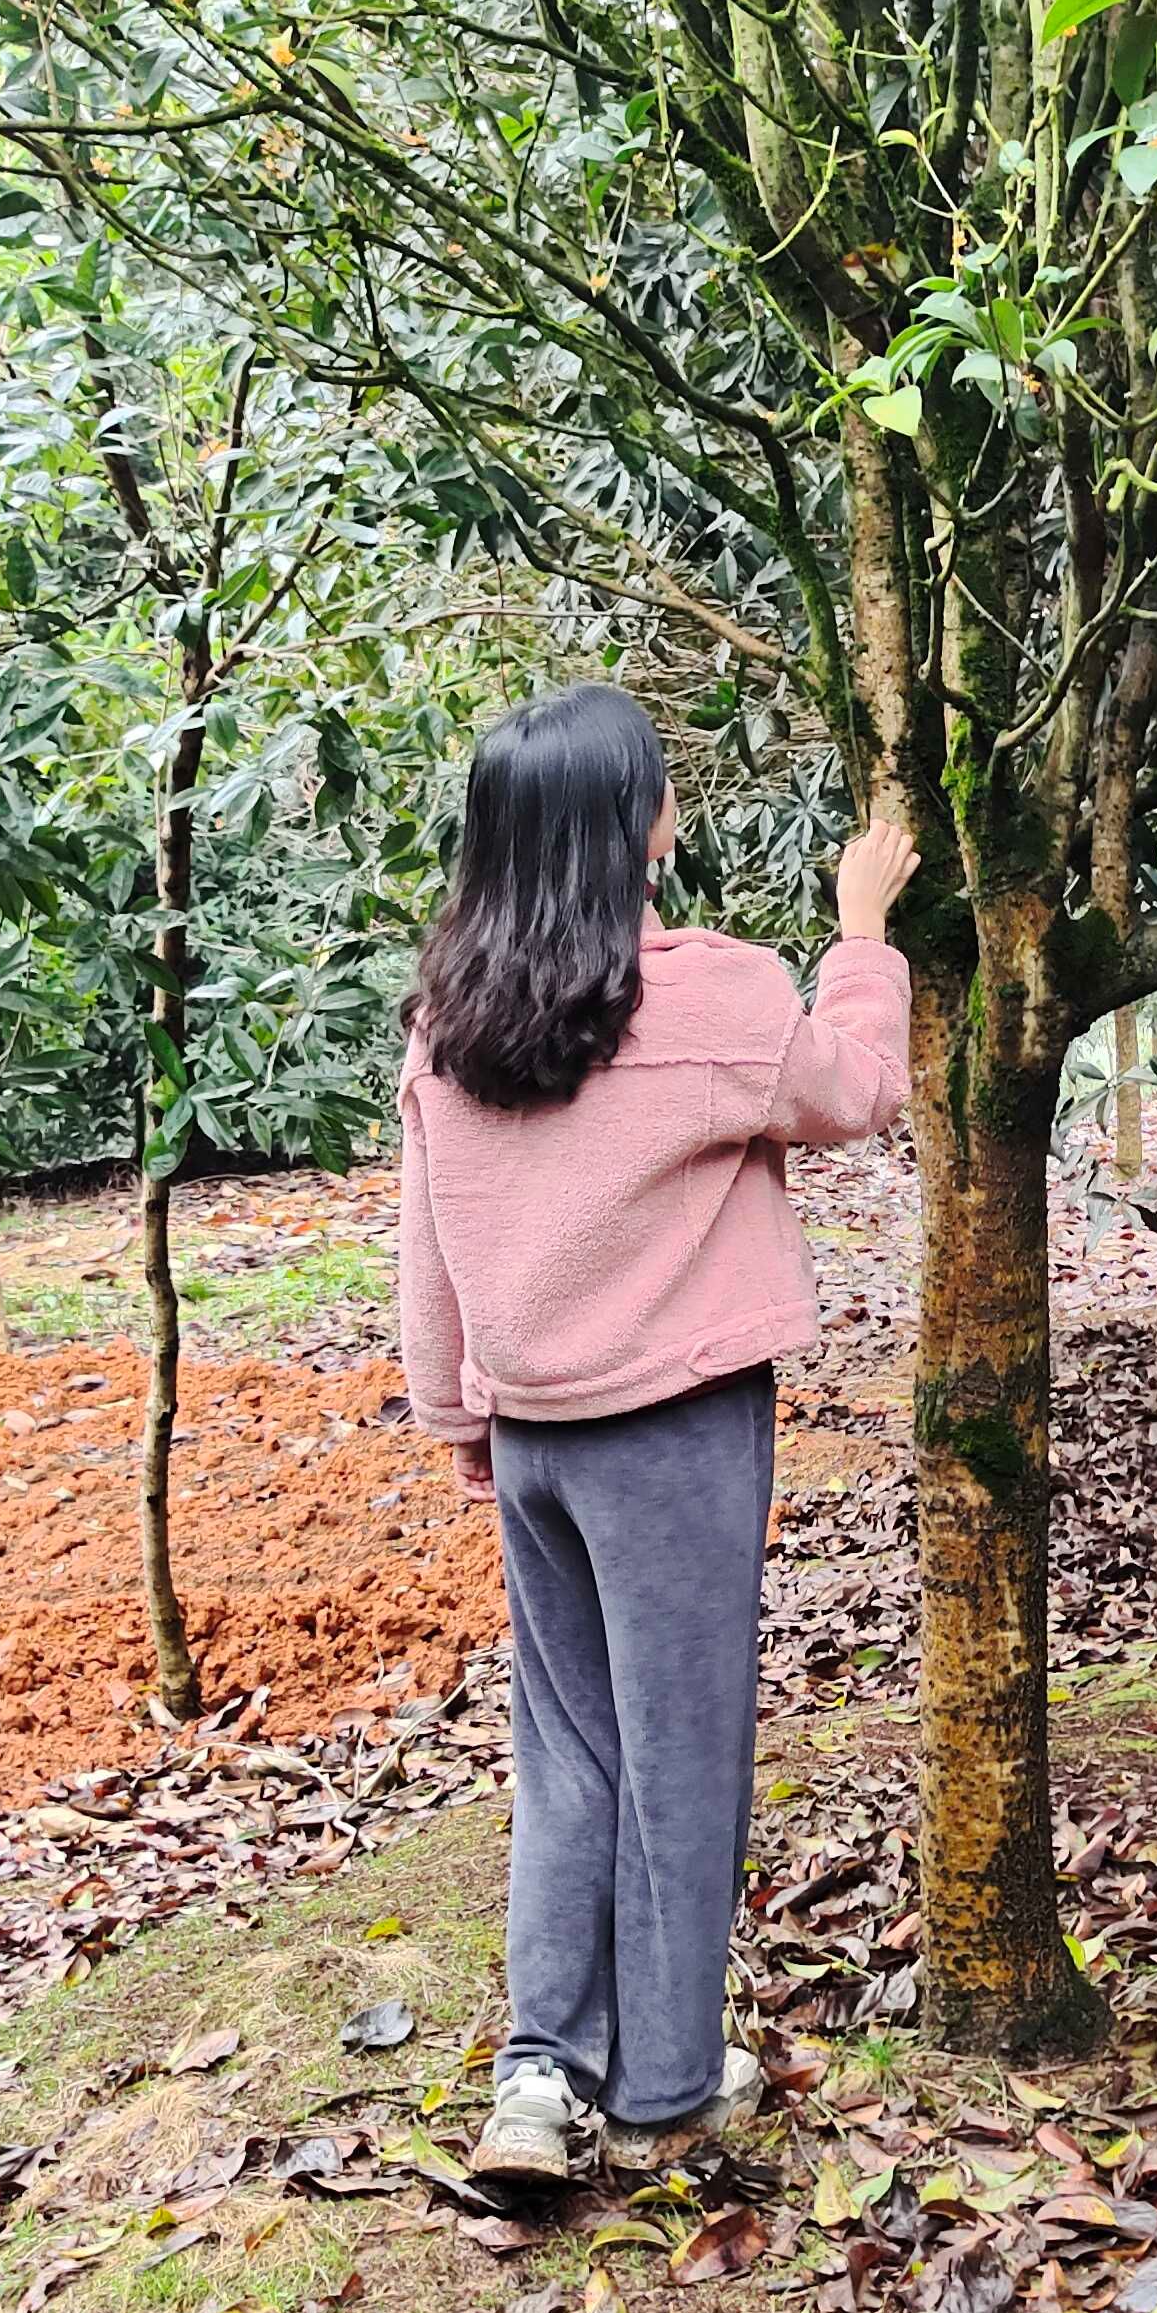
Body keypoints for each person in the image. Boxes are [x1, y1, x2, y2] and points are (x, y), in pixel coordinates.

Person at [398, 683, 916, 2181]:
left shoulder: (452, 1015)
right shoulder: (712, 993)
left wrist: (460, 1414)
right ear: (635, 828)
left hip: (535, 1438)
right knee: (682, 1749)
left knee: (566, 1749)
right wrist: (864, 929)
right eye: (661, 791)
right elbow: (858, 1091)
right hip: (673, 1431)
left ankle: (538, 2078)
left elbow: (424, 1241)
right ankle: (670, 2080)